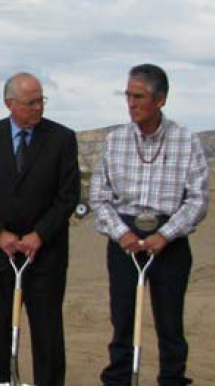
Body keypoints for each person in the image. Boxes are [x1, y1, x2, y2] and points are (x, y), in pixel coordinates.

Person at [90, 64, 208, 386]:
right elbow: (99, 197)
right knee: (123, 317)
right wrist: (121, 232)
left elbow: (197, 200)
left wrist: (166, 234)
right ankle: (119, 378)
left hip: (169, 238)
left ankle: (172, 378)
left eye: (138, 96)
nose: (130, 103)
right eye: (128, 95)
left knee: (170, 320)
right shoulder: (115, 141)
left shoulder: (186, 141)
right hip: (124, 238)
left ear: (160, 100)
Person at [0, 73, 80, 386]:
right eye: (31, 102)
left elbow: (68, 195)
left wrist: (40, 234)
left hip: (45, 256)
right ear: (10, 104)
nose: (38, 107)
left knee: (47, 334)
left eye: (41, 100)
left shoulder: (62, 139)